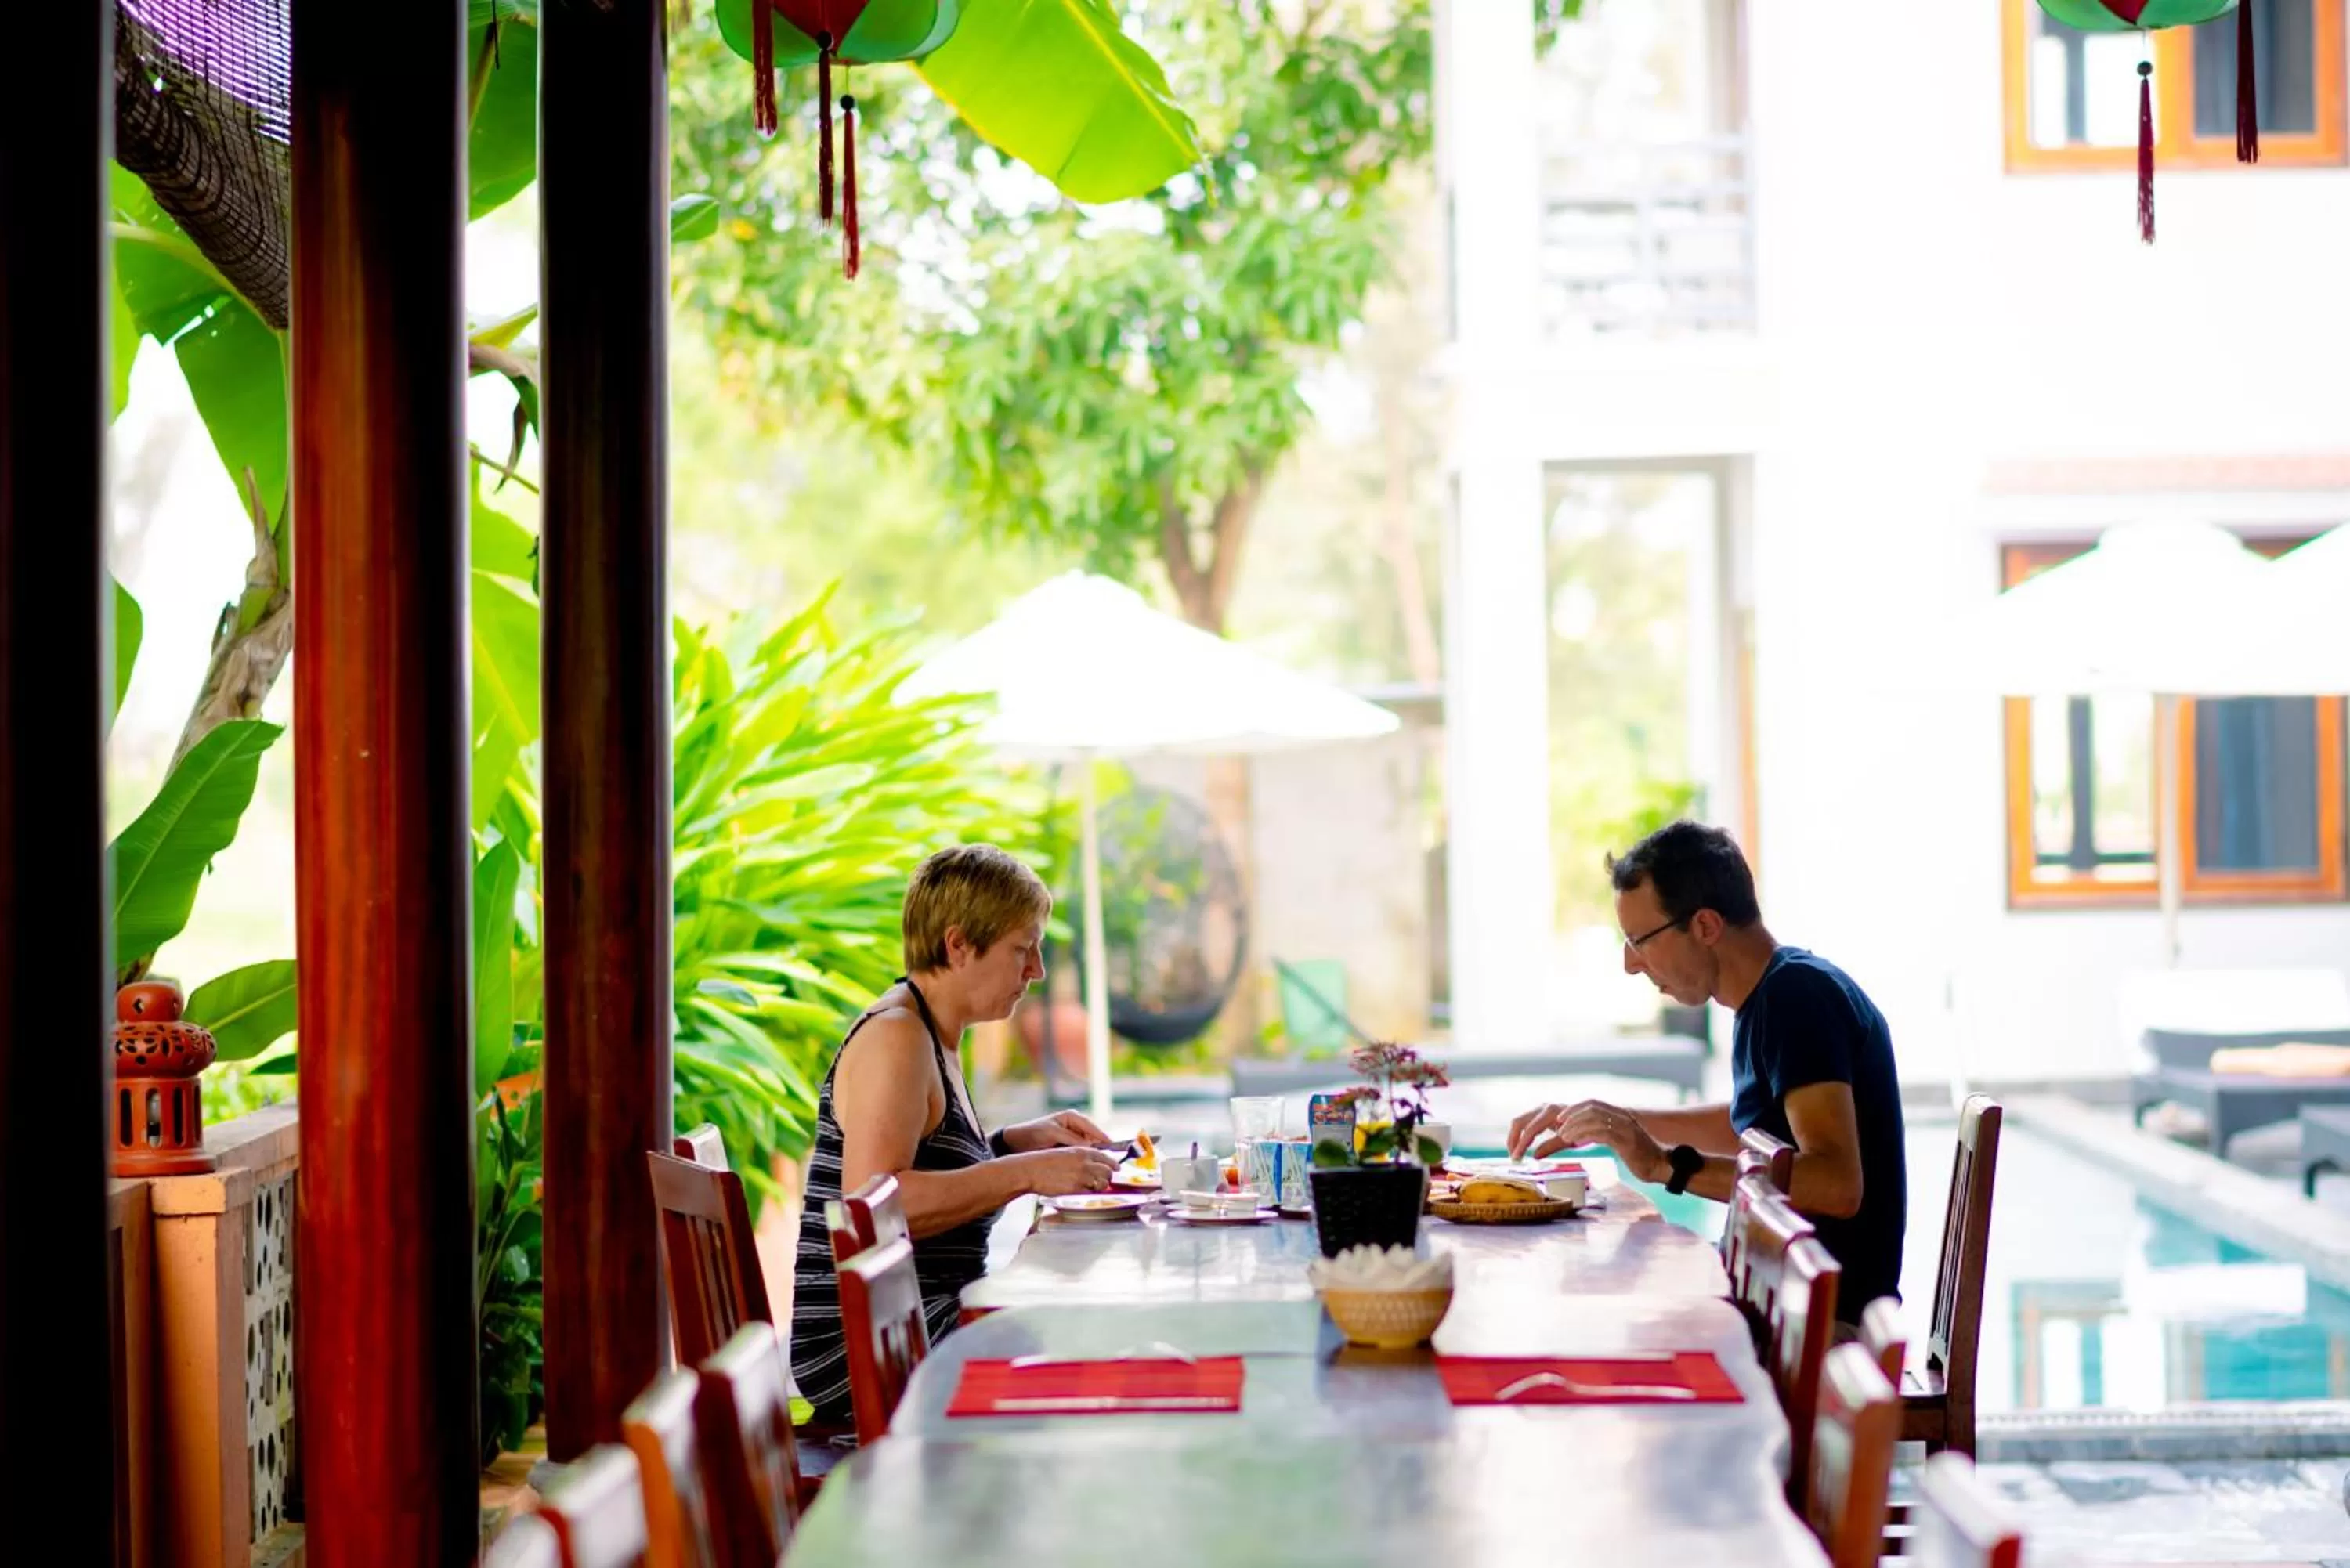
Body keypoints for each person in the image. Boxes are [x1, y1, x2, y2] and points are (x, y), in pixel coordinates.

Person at [1506, 822, 1907, 1318]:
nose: (1631, 965)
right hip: (1779, 1306)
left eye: (1640, 940)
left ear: (1706, 927)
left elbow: (1836, 1184)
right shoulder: (1771, 996)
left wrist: (1664, 1165)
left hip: (1817, 1336)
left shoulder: (1798, 999)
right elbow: (1750, 1131)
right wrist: (1613, 1124)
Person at [791, 844, 1121, 1426]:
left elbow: (925, 1168)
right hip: (864, 1348)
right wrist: (1023, 1175)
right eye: (1022, 948)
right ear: (958, 945)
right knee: (1086, 1340)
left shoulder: (935, 1033)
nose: (1036, 970)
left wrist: (1012, 1144)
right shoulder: (898, 1036)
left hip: (913, 1318)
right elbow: (871, 1209)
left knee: (1086, 1327)